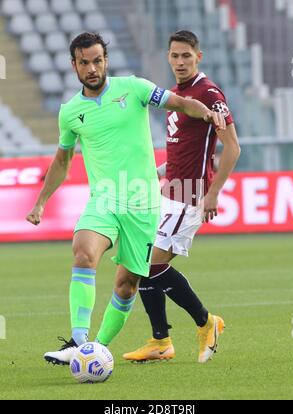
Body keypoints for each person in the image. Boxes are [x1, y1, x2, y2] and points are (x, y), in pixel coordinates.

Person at [26, 32, 225, 366]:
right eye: (85, 62)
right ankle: (78, 339)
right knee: (83, 253)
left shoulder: (133, 88)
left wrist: (206, 112)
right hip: (104, 201)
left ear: (106, 60)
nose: (92, 68)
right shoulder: (71, 112)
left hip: (143, 206)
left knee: (127, 286)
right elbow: (62, 161)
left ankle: (95, 350)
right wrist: (41, 201)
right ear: (74, 65)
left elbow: (179, 103)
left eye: (98, 60)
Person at [123, 30, 241, 364]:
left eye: (186, 55)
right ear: (168, 57)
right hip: (169, 191)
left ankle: (206, 323)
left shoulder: (209, 93)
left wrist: (214, 193)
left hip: (190, 195)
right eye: (174, 56)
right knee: (140, 263)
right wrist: (160, 170)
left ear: (198, 57)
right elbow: (183, 146)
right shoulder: (177, 94)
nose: (180, 62)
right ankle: (160, 342)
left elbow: (233, 147)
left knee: (149, 264)